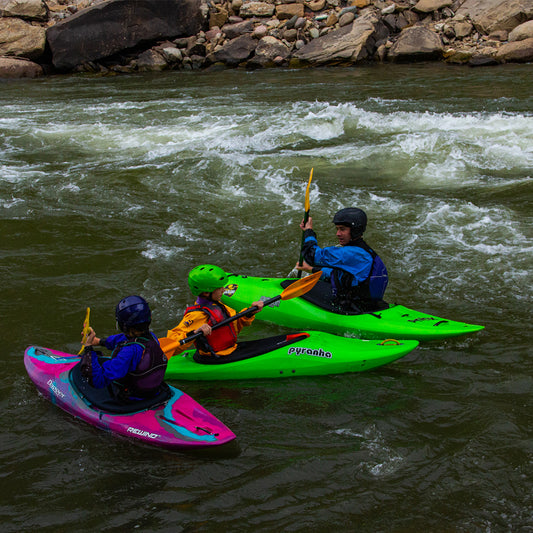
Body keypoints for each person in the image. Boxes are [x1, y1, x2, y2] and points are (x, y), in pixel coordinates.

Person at [295, 207, 389, 314]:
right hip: (367, 305)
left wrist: (308, 230)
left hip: (352, 309)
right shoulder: (363, 251)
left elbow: (310, 254)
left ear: (355, 230)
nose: (338, 234)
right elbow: (340, 276)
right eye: (337, 229)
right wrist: (311, 269)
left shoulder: (350, 253)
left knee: (294, 287)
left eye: (342, 229)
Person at [166, 264, 264, 361]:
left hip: (230, 350)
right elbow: (173, 344)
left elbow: (234, 327)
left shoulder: (217, 305)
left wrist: (250, 312)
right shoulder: (196, 315)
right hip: (215, 358)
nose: (224, 289)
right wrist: (194, 333)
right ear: (206, 293)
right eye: (219, 288)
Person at [80, 295, 168, 401]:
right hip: (154, 392)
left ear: (123, 325)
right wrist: (98, 341)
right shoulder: (152, 337)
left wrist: (88, 348)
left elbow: (97, 380)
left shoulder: (128, 352)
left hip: (132, 399)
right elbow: (123, 340)